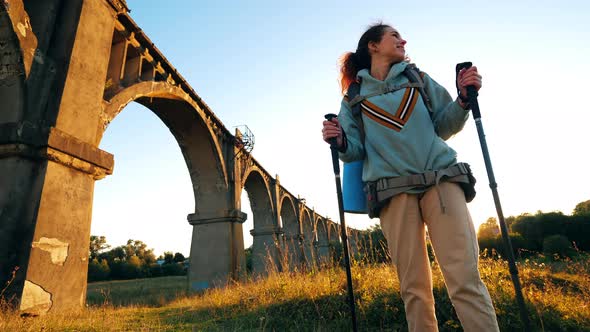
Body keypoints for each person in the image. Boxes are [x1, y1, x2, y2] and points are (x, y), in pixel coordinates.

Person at [322, 23, 500, 332]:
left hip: (441, 181)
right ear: (373, 46)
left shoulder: (418, 79)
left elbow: (444, 126)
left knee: (465, 280)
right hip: (393, 192)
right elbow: (353, 152)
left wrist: (462, 99)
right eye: (394, 35)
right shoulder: (353, 97)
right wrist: (338, 141)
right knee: (414, 289)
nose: (403, 40)